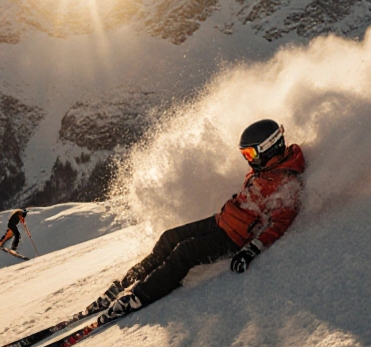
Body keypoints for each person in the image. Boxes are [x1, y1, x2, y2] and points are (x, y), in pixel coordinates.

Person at [91, 119, 306, 322]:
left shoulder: (286, 182)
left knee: (185, 252)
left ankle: (140, 296)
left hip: (234, 239)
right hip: (222, 221)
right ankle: (127, 281)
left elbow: (281, 222)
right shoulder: (267, 167)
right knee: (169, 237)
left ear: (269, 148)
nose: (248, 159)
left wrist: (251, 250)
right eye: (245, 154)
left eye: (250, 153)